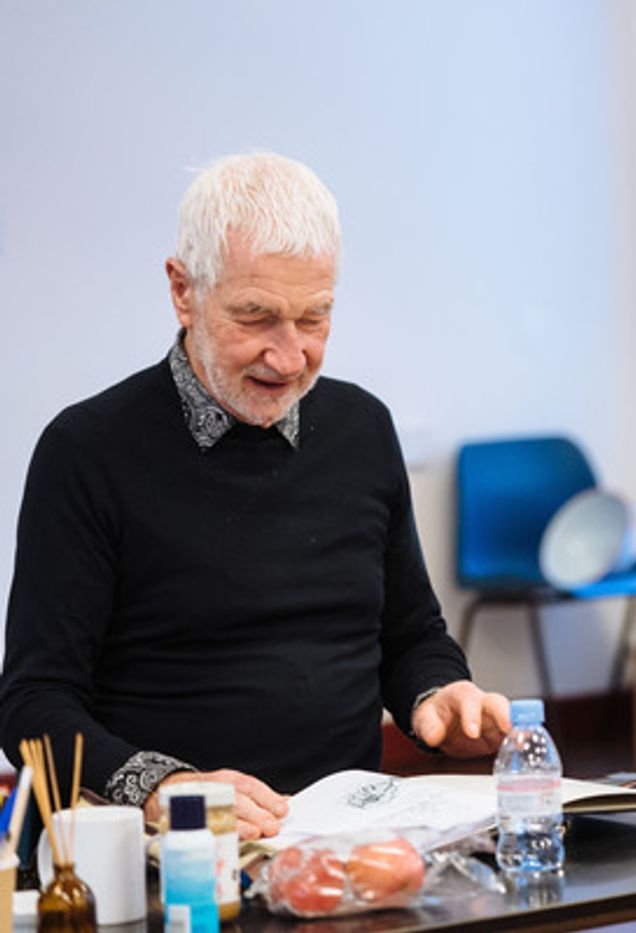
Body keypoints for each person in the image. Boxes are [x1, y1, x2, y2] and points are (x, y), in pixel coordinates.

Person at [0, 152, 510, 841]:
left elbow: (410, 633)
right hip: (168, 850)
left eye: (315, 317)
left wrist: (437, 694)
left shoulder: (362, 429)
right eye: (256, 316)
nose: (289, 356)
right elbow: (33, 702)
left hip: (339, 845)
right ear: (183, 290)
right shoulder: (88, 450)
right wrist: (166, 788)